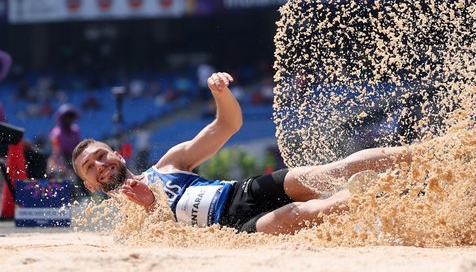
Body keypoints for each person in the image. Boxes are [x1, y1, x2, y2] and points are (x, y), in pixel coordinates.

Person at [72, 72, 413, 235]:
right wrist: (149, 205)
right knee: (302, 212)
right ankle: (401, 198)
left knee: (328, 172)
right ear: (89, 184)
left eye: (102, 155)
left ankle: (426, 155)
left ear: (117, 154)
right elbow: (173, 243)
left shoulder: (170, 163)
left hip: (240, 192)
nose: (100, 165)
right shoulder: (127, 227)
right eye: (90, 167)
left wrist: (220, 93)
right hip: (236, 227)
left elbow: (227, 125)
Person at [48, 104, 82, 178]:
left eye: (70, 116)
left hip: (74, 158)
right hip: (61, 159)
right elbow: (56, 150)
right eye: (66, 117)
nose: (69, 119)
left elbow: (79, 146)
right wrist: (64, 164)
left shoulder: (75, 130)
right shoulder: (56, 133)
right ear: (62, 118)